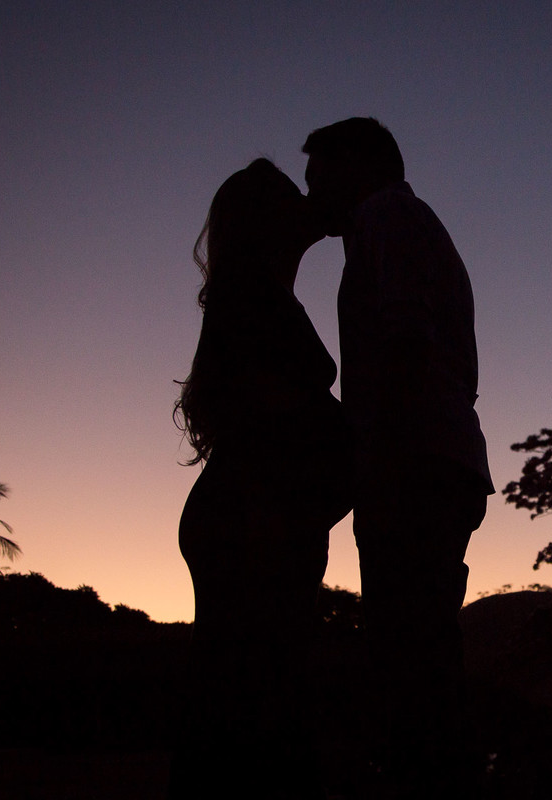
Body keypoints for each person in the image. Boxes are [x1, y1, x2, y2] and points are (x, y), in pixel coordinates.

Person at [302, 117, 494, 800]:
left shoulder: (387, 217)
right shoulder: (390, 226)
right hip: (430, 459)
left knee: (411, 656)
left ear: (357, 165)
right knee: (420, 652)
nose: (310, 194)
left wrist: (374, 460)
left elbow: (404, 341)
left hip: (415, 464)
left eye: (317, 177)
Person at [170, 158, 351, 800]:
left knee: (241, 692)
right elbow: (285, 422)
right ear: (267, 220)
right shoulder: (255, 301)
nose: (306, 199)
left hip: (249, 513)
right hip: (252, 519)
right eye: (290, 195)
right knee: (256, 699)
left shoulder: (256, 298)